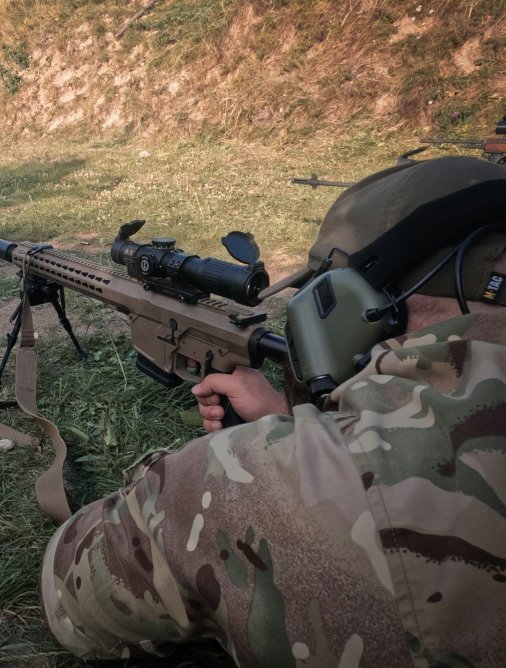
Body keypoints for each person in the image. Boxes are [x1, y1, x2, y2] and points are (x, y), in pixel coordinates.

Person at [40, 155, 506, 667]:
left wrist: (237, 460)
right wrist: (301, 422)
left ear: (353, 303)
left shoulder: (252, 481)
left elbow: (69, 596)